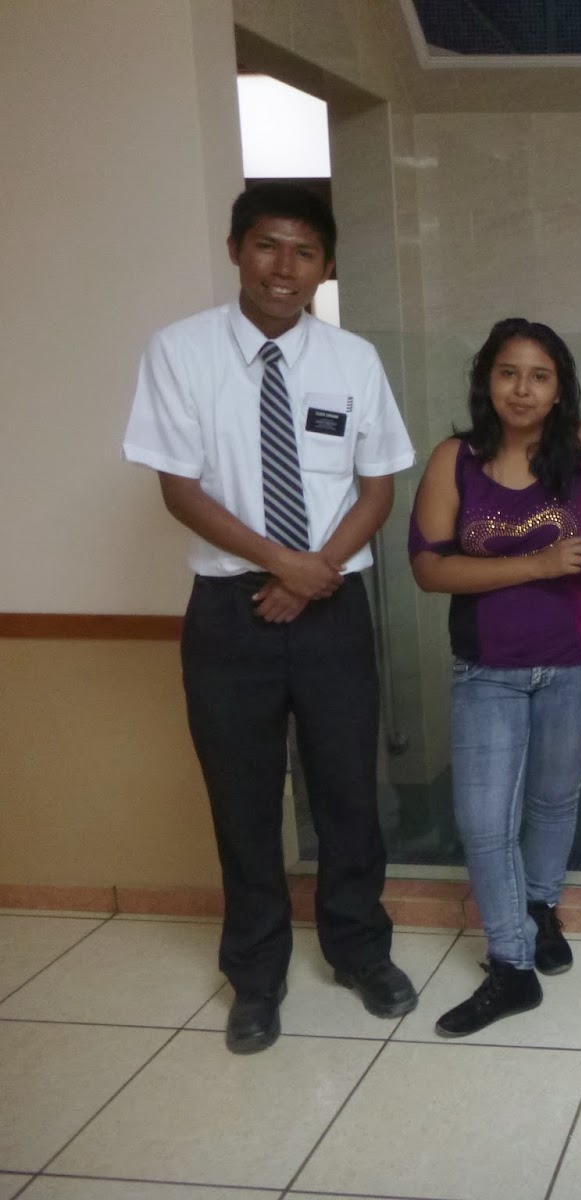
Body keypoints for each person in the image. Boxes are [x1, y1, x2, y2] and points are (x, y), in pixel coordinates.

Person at [122, 182, 419, 1053]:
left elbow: (377, 488)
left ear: (326, 266)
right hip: (230, 614)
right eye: (266, 245)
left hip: (331, 609)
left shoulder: (353, 360)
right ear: (235, 250)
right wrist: (280, 563)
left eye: (303, 251)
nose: (283, 267)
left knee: (347, 793)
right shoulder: (180, 352)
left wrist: (312, 572)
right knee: (244, 801)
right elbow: (179, 489)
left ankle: (361, 951)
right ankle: (256, 977)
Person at [408, 319, 581, 1037]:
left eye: (540, 376)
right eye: (508, 373)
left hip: (576, 663)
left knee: (554, 802)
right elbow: (429, 568)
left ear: (559, 388)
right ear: (487, 380)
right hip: (487, 669)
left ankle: (537, 913)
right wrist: (533, 564)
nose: (522, 389)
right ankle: (511, 965)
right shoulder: (456, 458)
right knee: (483, 820)